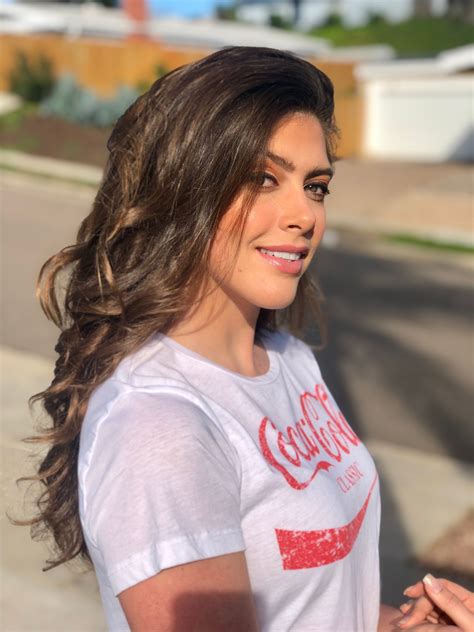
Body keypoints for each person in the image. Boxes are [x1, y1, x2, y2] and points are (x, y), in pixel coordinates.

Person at [26, 46, 405, 631]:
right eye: (264, 179)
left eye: (315, 186)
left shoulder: (289, 360)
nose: (305, 215)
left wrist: (405, 624)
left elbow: (318, 608)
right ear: (186, 189)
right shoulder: (159, 427)